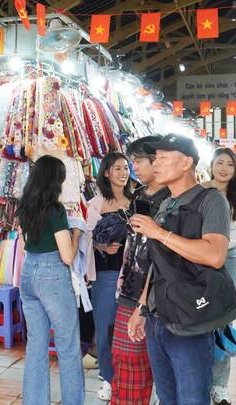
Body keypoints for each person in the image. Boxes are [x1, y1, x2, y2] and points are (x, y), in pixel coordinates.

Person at [127, 134, 231, 405]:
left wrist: (159, 233)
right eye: (155, 158)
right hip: (158, 318)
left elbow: (215, 255)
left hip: (190, 320)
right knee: (166, 397)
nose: (156, 163)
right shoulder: (164, 204)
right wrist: (141, 308)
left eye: (163, 158)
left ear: (186, 163)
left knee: (192, 398)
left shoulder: (211, 200)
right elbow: (157, 263)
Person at [18, 155, 84, 405]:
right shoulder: (55, 210)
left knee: (36, 344)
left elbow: (27, 244)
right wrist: (75, 234)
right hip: (52, 276)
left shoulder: (25, 206)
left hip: (28, 272)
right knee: (67, 346)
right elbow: (67, 256)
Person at [111, 137, 170, 404]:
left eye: (137, 161)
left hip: (156, 293)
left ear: (156, 161)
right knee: (125, 358)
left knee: (146, 361)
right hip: (130, 285)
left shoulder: (171, 200)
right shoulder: (138, 196)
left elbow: (163, 256)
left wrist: (144, 303)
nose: (133, 167)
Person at [203, 148, 236, 405]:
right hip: (199, 260)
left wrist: (212, 246)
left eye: (229, 164)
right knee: (197, 319)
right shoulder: (201, 189)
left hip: (228, 260)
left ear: (235, 169)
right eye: (219, 163)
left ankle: (219, 385)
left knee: (223, 322)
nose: (223, 168)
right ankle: (199, 379)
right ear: (211, 165)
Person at [86, 152, 133, 401]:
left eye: (126, 168)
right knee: (105, 328)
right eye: (117, 168)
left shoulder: (136, 202)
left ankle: (131, 377)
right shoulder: (95, 204)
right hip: (105, 275)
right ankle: (107, 378)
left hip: (132, 277)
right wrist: (101, 247)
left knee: (130, 329)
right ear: (106, 172)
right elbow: (85, 238)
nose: (123, 173)